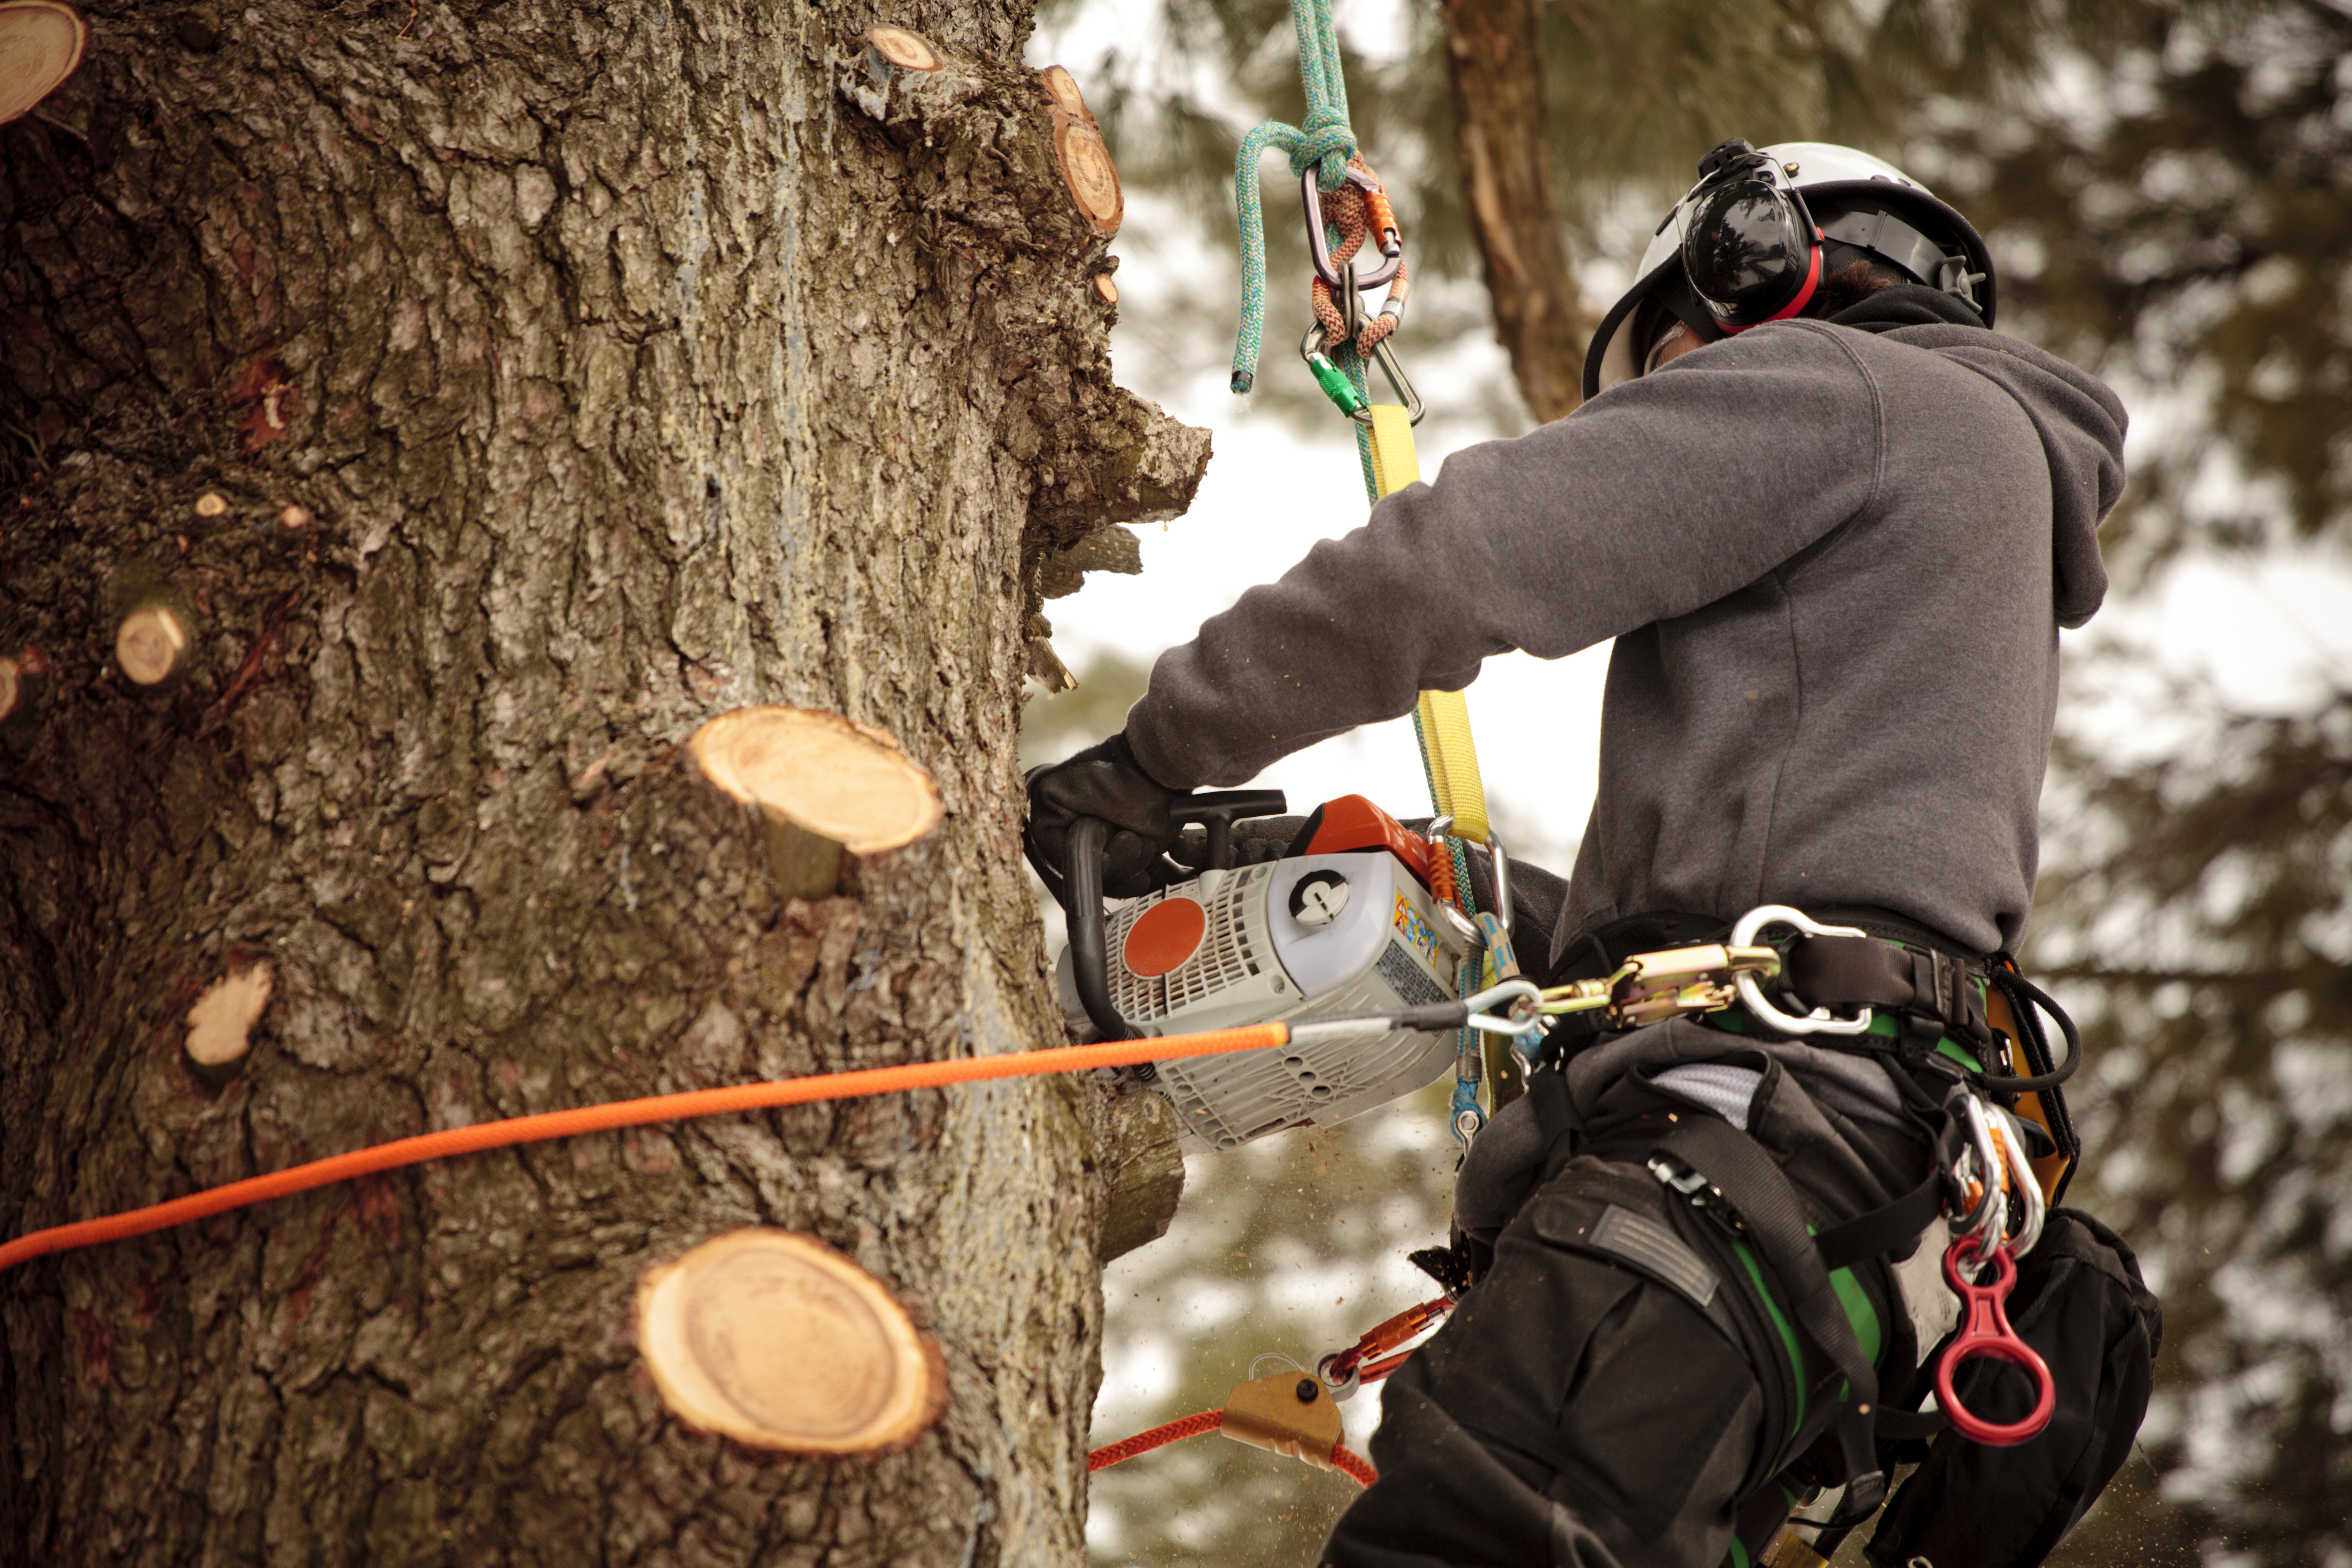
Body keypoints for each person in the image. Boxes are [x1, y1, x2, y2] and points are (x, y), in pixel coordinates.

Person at [1027, 141, 2158, 1567]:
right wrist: (1474, 895)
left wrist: (1146, 763)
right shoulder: (1979, 487)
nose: (1676, 398)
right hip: (1848, 1194)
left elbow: (1460, 562)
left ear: (1762, 267)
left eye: (1676, 361)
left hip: (1728, 1162)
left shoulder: (1846, 387)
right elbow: (1810, 908)